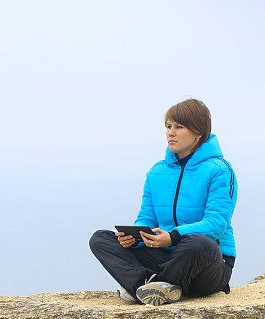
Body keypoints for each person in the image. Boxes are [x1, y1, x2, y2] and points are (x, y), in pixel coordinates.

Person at [89, 99, 237, 306]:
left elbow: (216, 223)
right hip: (164, 257)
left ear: (199, 133)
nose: (171, 132)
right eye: (168, 126)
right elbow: (146, 219)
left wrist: (172, 237)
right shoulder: (156, 172)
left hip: (208, 265)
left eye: (179, 127)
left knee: (200, 243)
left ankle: (141, 288)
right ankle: (149, 285)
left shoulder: (220, 170)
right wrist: (135, 237)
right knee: (100, 239)